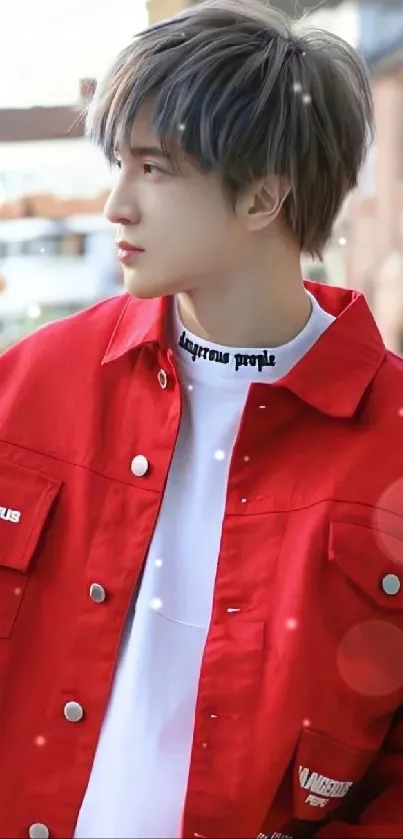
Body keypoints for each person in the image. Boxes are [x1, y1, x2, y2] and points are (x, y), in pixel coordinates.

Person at [0, 1, 402, 837]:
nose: (115, 204)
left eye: (153, 168)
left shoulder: (389, 436)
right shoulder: (29, 387)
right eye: (119, 164)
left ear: (261, 196)